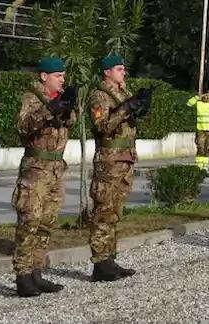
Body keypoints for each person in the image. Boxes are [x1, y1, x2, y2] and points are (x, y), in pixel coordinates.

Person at [12, 56, 79, 297]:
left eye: (63, 75)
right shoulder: (32, 97)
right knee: (29, 221)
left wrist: (67, 105)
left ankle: (36, 272)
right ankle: (22, 275)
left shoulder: (59, 97)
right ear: (44, 77)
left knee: (46, 222)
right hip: (36, 167)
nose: (63, 79)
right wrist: (49, 109)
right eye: (58, 75)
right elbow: (22, 125)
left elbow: (71, 122)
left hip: (56, 167)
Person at [88, 54, 151, 282]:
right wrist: (126, 108)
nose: (123, 72)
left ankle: (110, 259)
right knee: (103, 211)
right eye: (119, 69)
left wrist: (140, 105)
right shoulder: (99, 96)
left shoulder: (122, 92)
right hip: (109, 161)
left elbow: (130, 123)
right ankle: (100, 263)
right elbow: (102, 126)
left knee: (115, 211)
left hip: (125, 159)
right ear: (107, 72)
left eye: (124, 69)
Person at [186, 92, 209, 171]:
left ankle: (205, 166)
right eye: (206, 95)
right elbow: (189, 103)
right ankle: (198, 166)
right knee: (200, 148)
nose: (207, 97)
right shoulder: (199, 104)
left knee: (207, 148)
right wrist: (198, 97)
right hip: (200, 129)